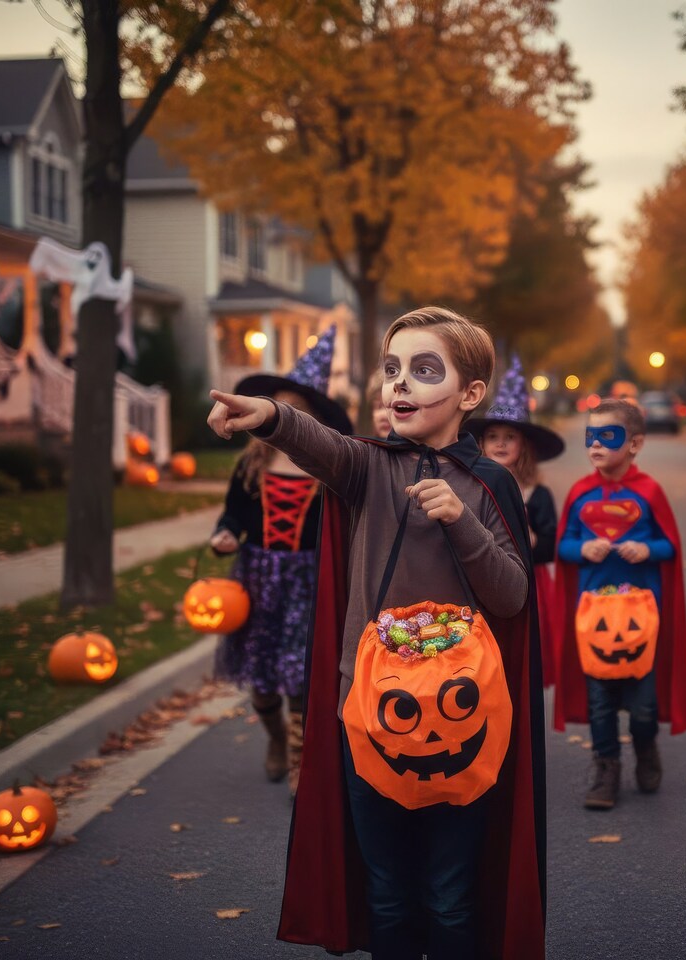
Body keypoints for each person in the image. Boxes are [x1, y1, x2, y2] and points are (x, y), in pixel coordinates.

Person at [207, 306, 546, 960]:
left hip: (462, 718)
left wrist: (462, 522)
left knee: (450, 894)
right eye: (392, 369)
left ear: (470, 394)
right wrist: (270, 416)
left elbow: (512, 596)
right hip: (369, 714)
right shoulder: (366, 467)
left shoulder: (489, 484)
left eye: (424, 370)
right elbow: (317, 441)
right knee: (387, 891)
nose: (400, 384)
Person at [209, 326, 352, 796]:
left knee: (299, 677)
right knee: (263, 677)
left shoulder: (325, 470)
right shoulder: (252, 464)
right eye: (280, 407)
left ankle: (297, 759)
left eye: (297, 411)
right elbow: (233, 512)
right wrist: (225, 534)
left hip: (307, 580)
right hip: (259, 578)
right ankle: (274, 738)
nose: (286, 418)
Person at [554, 398, 686, 810]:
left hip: (641, 620)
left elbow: (670, 545)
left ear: (634, 444)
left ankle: (646, 746)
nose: (596, 445)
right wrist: (583, 549)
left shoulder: (649, 492)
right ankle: (606, 768)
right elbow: (564, 546)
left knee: (643, 704)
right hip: (593, 618)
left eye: (607, 436)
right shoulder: (580, 494)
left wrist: (646, 549)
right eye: (590, 436)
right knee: (599, 701)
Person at [466, 356, 564, 688]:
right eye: (493, 436)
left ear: (524, 445)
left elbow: (551, 546)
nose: (501, 443)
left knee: (521, 656)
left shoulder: (537, 493)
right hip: (481, 582)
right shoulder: (472, 487)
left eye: (510, 436)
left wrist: (533, 539)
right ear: (481, 444)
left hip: (530, 584)